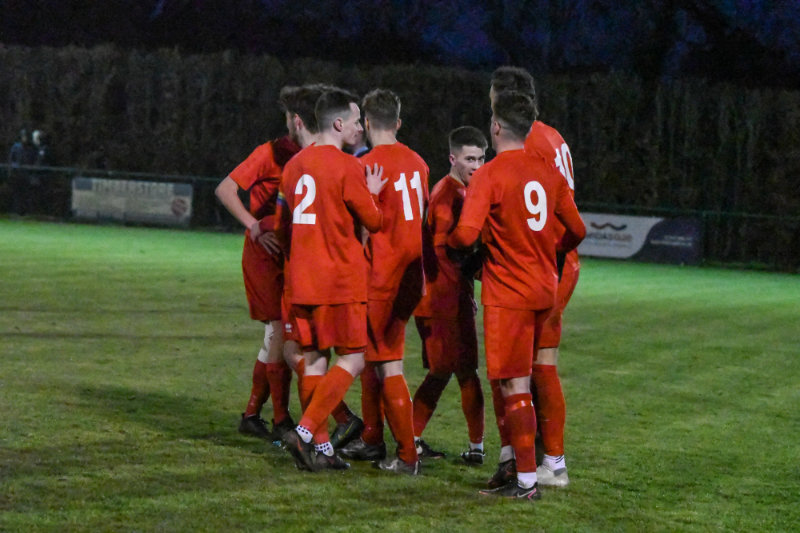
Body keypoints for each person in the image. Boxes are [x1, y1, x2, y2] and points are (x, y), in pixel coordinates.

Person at [448, 90, 585, 500]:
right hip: (544, 290)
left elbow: (466, 235)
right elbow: (577, 230)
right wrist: (550, 249)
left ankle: (525, 481)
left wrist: (452, 246)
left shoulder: (489, 174)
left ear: (495, 127)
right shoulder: (548, 172)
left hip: (508, 292)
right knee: (527, 377)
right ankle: (525, 469)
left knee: (513, 385)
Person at [278, 88, 387, 471]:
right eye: (356, 121)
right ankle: (305, 432)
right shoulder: (347, 167)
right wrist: (373, 194)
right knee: (354, 358)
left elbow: (281, 227)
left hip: (302, 280)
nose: (360, 128)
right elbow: (374, 221)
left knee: (314, 361)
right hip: (340, 280)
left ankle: (322, 450)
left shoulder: (293, 167)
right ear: (338, 124)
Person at [488, 66, 579, 488]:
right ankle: (538, 458)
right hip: (555, 260)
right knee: (535, 366)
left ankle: (541, 461)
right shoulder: (552, 136)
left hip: (543, 261)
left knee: (525, 368)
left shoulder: (529, 143)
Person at [337, 89, 427, 475]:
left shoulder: (366, 166)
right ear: (399, 122)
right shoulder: (419, 163)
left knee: (388, 365)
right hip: (412, 276)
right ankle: (373, 439)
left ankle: (407, 456)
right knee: (375, 360)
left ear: (367, 122)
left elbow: (361, 226)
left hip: (382, 277)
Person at [215, 85, 304, 442]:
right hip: (264, 255)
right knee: (279, 331)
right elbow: (225, 189)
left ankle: (253, 414)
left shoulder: (315, 154)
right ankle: (281, 419)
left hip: (292, 255)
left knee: (278, 337)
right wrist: (253, 226)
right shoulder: (270, 152)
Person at [409, 126, 487, 465]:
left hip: (450, 298)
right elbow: (447, 254)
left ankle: (471, 446)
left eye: (481, 159)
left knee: (454, 371)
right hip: (443, 302)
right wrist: (481, 264)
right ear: (453, 158)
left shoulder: (459, 191)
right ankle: (414, 441)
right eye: (470, 159)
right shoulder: (447, 196)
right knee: (456, 371)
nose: (476, 166)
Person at [7, 128, 36, 215]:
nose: (24, 138)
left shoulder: (30, 148)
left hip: (26, 174)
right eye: (23, 136)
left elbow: (32, 161)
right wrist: (11, 170)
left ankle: (25, 211)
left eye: (25, 136)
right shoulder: (16, 147)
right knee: (17, 193)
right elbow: (11, 159)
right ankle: (16, 210)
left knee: (25, 193)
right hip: (17, 174)